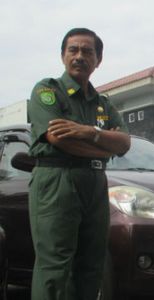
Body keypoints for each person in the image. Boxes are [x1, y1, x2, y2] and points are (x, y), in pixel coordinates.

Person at [28, 28, 131, 300]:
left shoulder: (102, 104)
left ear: (98, 60)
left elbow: (123, 143)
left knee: (92, 263)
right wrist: (102, 149)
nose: (79, 56)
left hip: (95, 183)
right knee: (55, 266)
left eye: (88, 51)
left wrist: (89, 132)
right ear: (63, 55)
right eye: (73, 50)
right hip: (57, 180)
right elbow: (58, 139)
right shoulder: (47, 90)